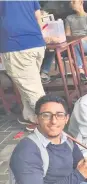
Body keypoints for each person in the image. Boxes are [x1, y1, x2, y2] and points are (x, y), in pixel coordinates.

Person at [0, 1, 46, 131]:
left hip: (16, 45)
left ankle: (48, 122)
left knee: (31, 88)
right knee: (30, 84)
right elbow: (38, 16)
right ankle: (30, 117)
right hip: (36, 44)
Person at [40, 0, 87, 84]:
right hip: (72, 44)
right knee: (53, 47)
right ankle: (44, 73)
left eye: (73, 1)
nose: (70, 3)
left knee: (76, 44)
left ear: (81, 2)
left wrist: (78, 39)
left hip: (85, 44)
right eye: (70, 1)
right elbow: (68, 36)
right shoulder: (69, 18)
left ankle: (80, 71)